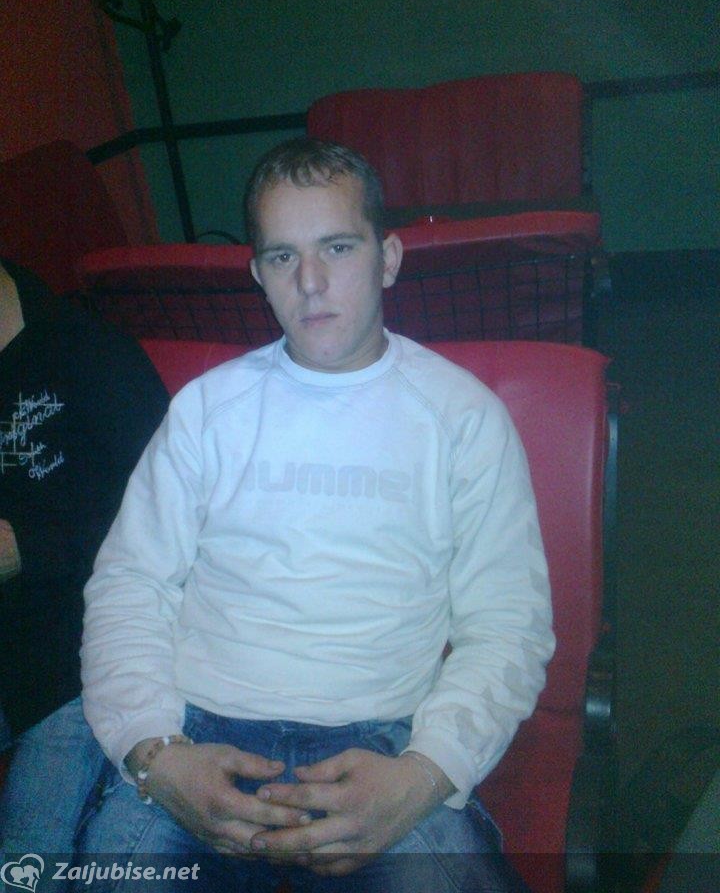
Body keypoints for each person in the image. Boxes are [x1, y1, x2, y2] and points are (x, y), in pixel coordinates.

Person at [77, 138, 555, 892]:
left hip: (384, 746)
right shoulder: (206, 412)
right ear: (258, 275)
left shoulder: (462, 418)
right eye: (282, 257)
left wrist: (426, 773)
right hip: (199, 733)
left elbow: (508, 624)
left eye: (337, 246)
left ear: (388, 258)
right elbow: (129, 584)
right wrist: (155, 754)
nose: (310, 282)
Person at [0, 257, 168, 883]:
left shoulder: (87, 351)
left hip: (80, 649)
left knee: (25, 864)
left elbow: (169, 518)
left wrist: (28, 547)